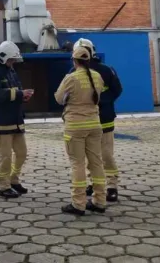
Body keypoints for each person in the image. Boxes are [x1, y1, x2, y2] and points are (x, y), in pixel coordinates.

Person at [69, 39, 123, 202]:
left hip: (104, 119)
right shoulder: (74, 72)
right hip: (86, 121)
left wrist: (101, 101)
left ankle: (112, 186)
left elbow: (117, 90)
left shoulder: (105, 70)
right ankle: (95, 184)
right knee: (90, 156)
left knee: (106, 154)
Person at [55, 46, 107, 215]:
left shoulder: (71, 78)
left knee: (78, 164)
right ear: (89, 60)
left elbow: (58, 99)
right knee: (96, 162)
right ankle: (100, 201)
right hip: (94, 124)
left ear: (74, 61)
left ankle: (78, 203)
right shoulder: (98, 76)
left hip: (75, 127)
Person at [0, 41, 34, 199]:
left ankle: (14, 180)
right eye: (11, 60)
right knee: (4, 155)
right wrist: (20, 94)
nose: (13, 63)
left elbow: (16, 90)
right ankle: (3, 185)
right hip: (1, 121)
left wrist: (24, 96)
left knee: (22, 152)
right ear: (3, 58)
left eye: (14, 60)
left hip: (16, 118)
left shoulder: (10, 71)